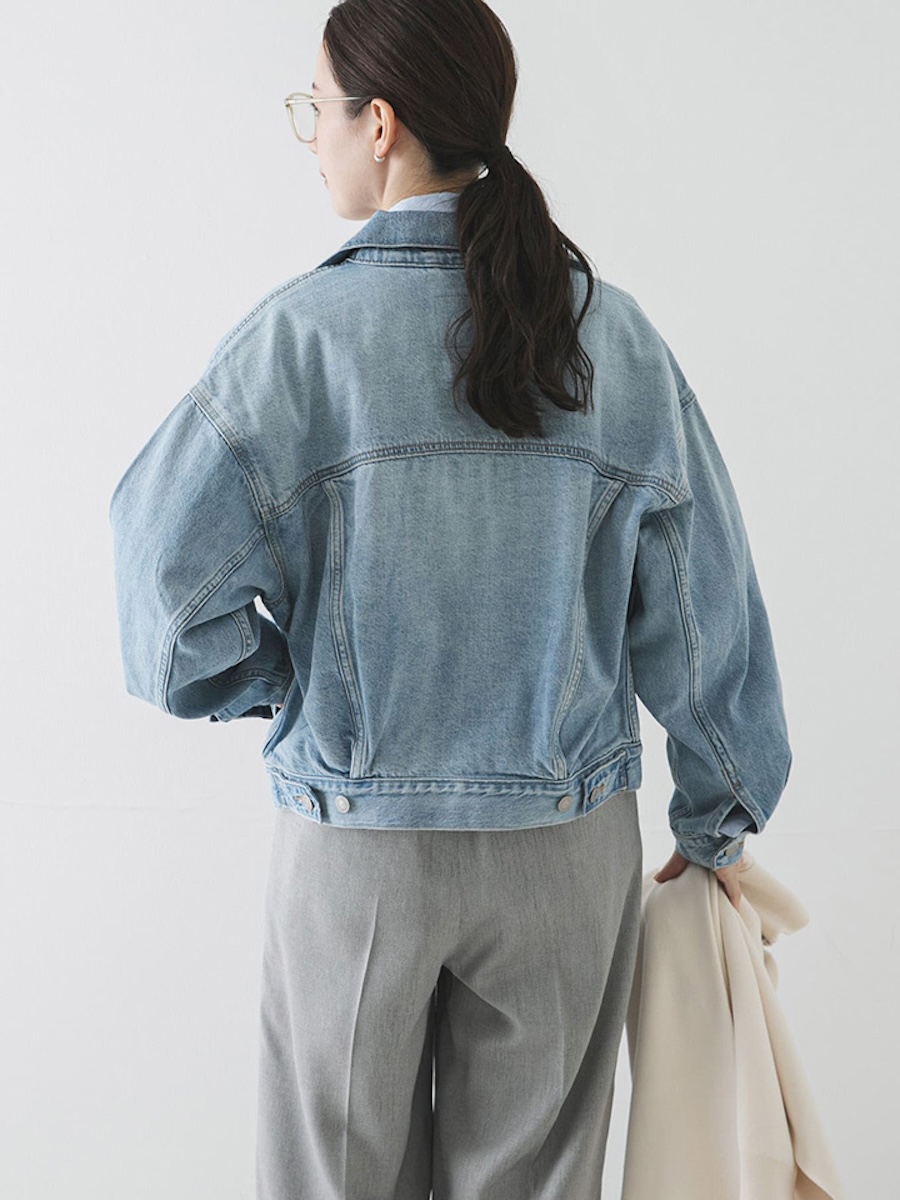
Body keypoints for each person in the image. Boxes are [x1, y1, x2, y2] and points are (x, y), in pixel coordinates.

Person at [108, 1, 792, 1196]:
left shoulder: (296, 343)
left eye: (317, 109)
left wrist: (280, 684)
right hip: (564, 856)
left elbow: (161, 605)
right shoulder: (613, 337)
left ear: (380, 125)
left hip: (355, 852)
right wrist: (717, 820)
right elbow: (703, 602)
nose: (313, 136)